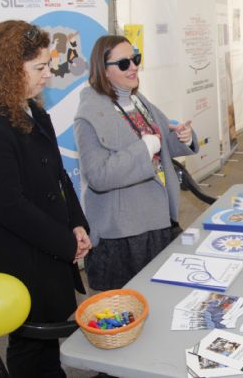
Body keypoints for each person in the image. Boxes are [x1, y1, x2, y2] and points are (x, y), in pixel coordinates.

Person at [0, 20, 91, 377]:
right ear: (9, 69)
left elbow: (59, 178)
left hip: (48, 247)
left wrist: (77, 224)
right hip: (18, 258)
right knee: (29, 344)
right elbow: (9, 207)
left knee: (47, 343)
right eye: (39, 68)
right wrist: (65, 243)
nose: (48, 75)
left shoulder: (34, 113)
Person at [74, 35, 198, 290]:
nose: (133, 67)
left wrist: (183, 136)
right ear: (103, 70)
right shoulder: (88, 116)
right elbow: (98, 176)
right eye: (123, 64)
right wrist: (144, 149)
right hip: (124, 236)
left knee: (161, 297)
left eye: (136, 59)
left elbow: (162, 141)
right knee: (129, 306)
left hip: (160, 221)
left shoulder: (139, 101)